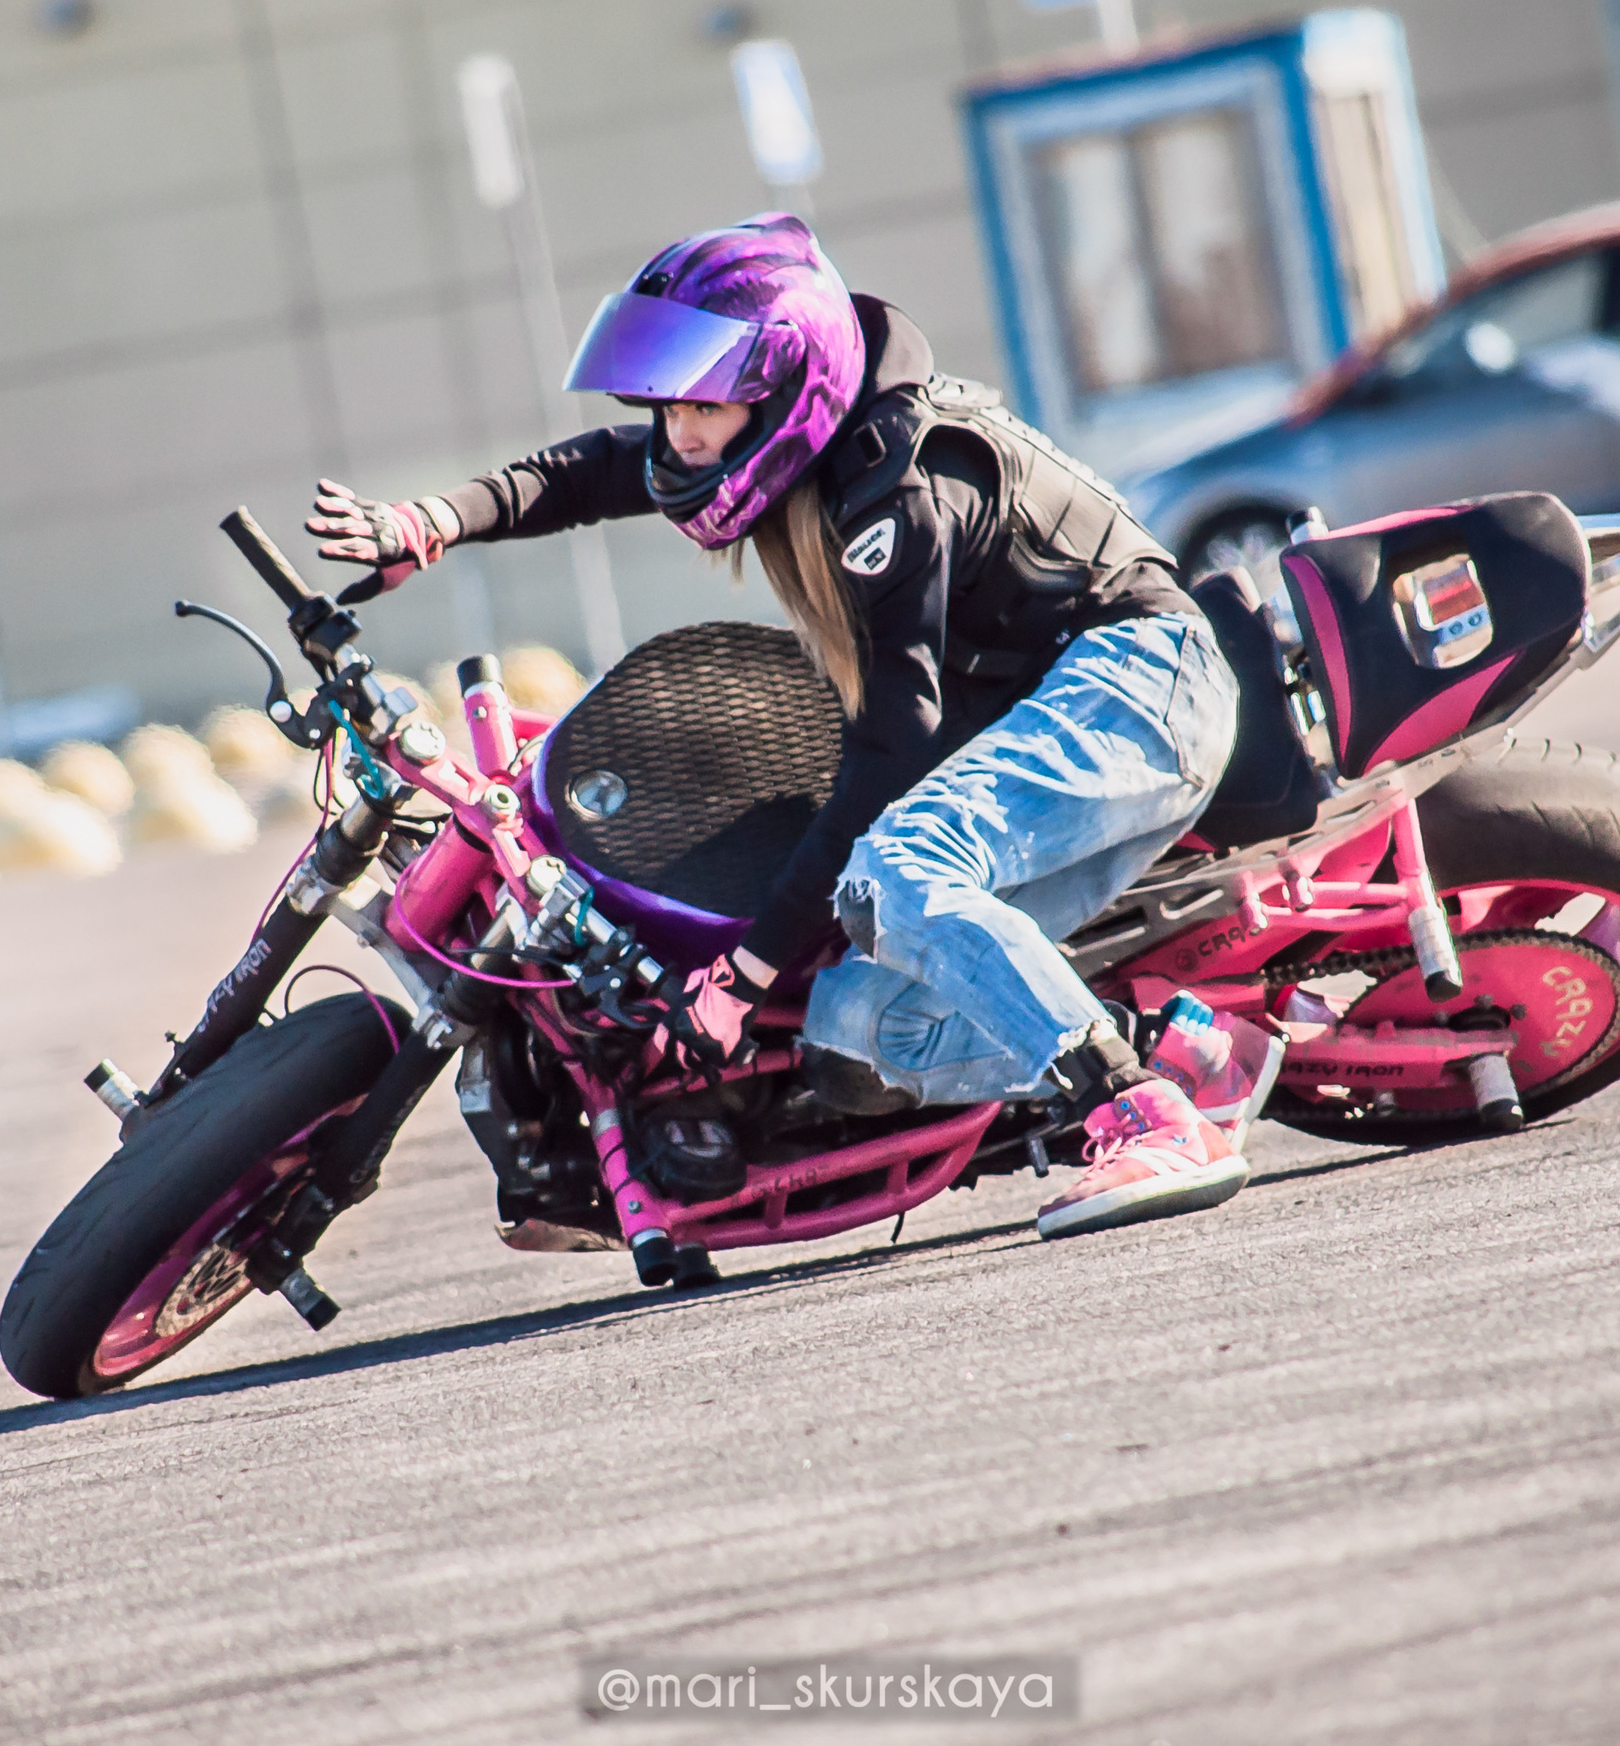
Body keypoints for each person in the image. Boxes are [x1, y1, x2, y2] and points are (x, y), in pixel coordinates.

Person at [306, 214, 1260, 1239]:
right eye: (668, 404)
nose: (679, 432)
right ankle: (1184, 1051)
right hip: (1040, 706)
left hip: (1140, 673)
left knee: (899, 868)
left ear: (782, 386)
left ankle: (1139, 1114)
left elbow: (893, 748)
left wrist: (746, 970)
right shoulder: (784, 444)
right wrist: (437, 521)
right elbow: (595, 470)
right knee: (857, 1031)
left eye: (703, 406)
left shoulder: (897, 493)